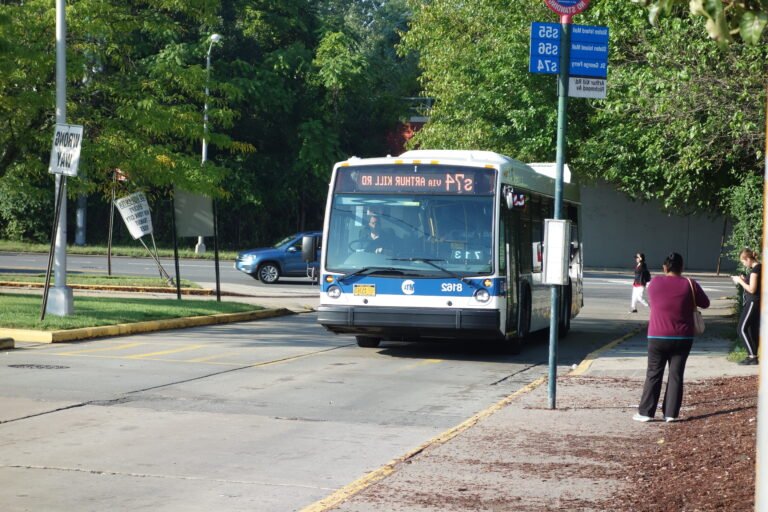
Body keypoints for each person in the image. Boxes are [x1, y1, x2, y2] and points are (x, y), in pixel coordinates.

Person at [633, 252, 710, 423]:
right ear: (682, 267)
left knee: (653, 373)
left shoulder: (655, 283)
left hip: (657, 335)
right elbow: (705, 303)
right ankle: (671, 413)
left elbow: (654, 301)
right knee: (676, 374)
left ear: (665, 267)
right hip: (683, 337)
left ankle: (646, 412)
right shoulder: (690, 284)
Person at [731, 248, 761, 365]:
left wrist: (740, 281)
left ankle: (752, 356)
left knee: (741, 328)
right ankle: (753, 355)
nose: (743, 264)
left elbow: (752, 290)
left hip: (753, 302)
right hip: (757, 302)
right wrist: (745, 279)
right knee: (751, 329)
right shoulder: (761, 267)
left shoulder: (755, 270)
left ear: (748, 259)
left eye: (743, 262)